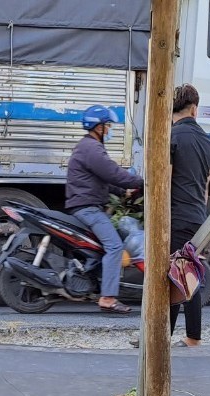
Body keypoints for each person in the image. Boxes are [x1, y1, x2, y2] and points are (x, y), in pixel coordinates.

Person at [66, 105, 144, 313]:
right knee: (115, 246)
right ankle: (108, 298)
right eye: (108, 126)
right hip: (88, 208)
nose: (109, 130)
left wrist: (122, 192)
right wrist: (141, 182)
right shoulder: (92, 149)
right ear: (98, 127)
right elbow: (112, 173)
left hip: (88, 205)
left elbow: (103, 180)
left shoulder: (87, 148)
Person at [169, 84, 210, 347]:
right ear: (194, 108)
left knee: (184, 275)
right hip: (196, 216)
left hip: (174, 214)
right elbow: (206, 184)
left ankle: (192, 338)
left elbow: (166, 178)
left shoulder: (172, 136)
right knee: (179, 272)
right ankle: (166, 334)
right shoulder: (207, 142)